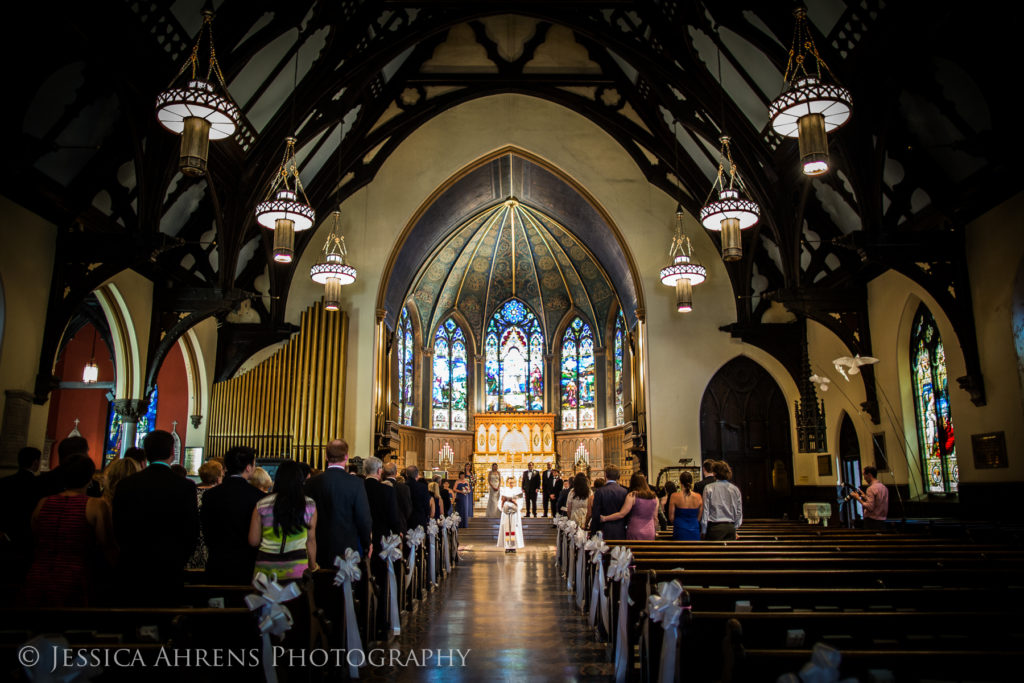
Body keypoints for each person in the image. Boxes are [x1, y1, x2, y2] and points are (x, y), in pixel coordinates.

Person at [112, 430, 198, 606]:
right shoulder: (185, 486)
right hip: (169, 567)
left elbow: (117, 527)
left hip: (133, 566)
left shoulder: (126, 485)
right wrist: (178, 558)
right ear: (173, 452)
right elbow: (191, 531)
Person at [21, 454, 115, 607]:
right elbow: (107, 546)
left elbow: (35, 536)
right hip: (74, 579)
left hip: (38, 575)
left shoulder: (43, 503)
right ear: (90, 477)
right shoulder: (94, 506)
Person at [201, 447, 265, 584]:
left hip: (217, 562)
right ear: (248, 468)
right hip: (247, 565)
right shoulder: (258, 496)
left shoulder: (210, 495)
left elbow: (206, 529)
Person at [249, 460, 317, 581]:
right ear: (300, 480)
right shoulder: (309, 505)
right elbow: (310, 540)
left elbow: (253, 541)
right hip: (297, 567)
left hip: (266, 568)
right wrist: (312, 566)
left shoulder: (262, 504)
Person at [306, 439, 372, 564]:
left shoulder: (311, 483)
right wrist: (367, 543)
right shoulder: (356, 483)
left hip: (318, 549)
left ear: (326, 457)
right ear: (346, 457)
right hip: (346, 551)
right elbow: (363, 518)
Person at [0, 447, 42, 577]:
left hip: (7, 534)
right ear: (35, 463)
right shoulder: (38, 484)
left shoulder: (4, 482)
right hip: (29, 535)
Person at [186, 460, 224, 570]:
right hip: (211, 543)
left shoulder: (192, 493)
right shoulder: (217, 495)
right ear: (218, 478)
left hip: (192, 541)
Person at [601, 472, 658, 541]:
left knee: (634, 551)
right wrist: (655, 530)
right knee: (648, 551)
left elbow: (621, 514)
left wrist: (605, 518)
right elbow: (655, 517)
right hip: (650, 530)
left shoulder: (632, 495)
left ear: (633, 482)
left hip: (635, 529)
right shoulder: (654, 497)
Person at [363, 457, 402, 551]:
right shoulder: (387, 490)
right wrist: (397, 533)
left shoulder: (358, 487)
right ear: (379, 471)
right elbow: (393, 516)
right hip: (381, 538)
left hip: (362, 536)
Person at [701, 461, 743, 540]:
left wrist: (704, 530)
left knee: (715, 552)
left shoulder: (709, 488)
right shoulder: (735, 489)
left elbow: (705, 511)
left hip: (715, 527)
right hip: (730, 527)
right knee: (729, 552)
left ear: (714, 473)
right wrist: (735, 527)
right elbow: (739, 511)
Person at [587, 466, 628, 540]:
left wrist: (593, 531)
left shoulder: (600, 491)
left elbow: (596, 513)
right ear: (618, 476)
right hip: (620, 529)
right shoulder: (624, 491)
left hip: (604, 529)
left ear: (605, 475)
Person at [849, 465, 889, 531]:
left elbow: (870, 507)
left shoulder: (871, 489)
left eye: (864, 475)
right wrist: (865, 497)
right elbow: (878, 502)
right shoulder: (884, 487)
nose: (864, 478)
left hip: (872, 522)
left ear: (869, 475)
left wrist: (857, 498)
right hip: (882, 521)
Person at [668, 471, 702, 540]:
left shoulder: (674, 496)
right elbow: (699, 517)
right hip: (694, 529)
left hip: (680, 529)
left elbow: (671, 518)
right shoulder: (698, 497)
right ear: (691, 481)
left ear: (680, 482)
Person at [382, 461, 410, 535]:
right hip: (400, 525)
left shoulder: (378, 487)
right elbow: (408, 508)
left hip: (383, 527)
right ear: (396, 472)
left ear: (383, 472)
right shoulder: (403, 488)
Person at [498, 476, 525, 553]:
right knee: (506, 529)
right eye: (509, 482)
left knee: (514, 529)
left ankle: (513, 547)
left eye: (512, 482)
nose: (511, 484)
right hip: (506, 513)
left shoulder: (518, 490)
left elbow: (520, 502)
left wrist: (514, 502)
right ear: (507, 482)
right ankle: (507, 546)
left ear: (515, 482)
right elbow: (500, 501)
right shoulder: (504, 490)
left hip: (514, 513)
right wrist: (503, 502)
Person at [405, 465, 431, 530]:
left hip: (406, 520)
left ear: (406, 474)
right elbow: (426, 504)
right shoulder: (423, 487)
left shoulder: (402, 486)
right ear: (417, 475)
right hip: (420, 518)